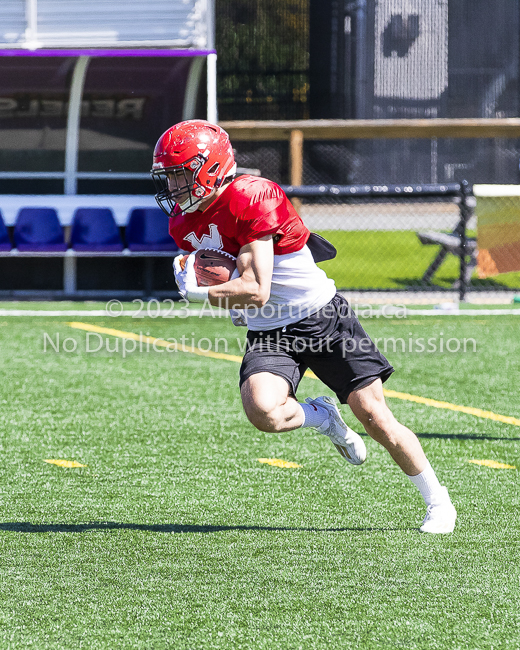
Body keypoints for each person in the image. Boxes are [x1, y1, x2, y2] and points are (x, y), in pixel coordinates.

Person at [151, 119, 457, 534]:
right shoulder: (182, 224)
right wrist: (227, 303)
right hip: (271, 332)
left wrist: (199, 294)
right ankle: (322, 416)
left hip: (322, 318)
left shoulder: (253, 196)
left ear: (211, 168)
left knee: (374, 416)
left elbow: (256, 287)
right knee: (264, 412)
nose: (174, 187)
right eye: (169, 176)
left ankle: (438, 501)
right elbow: (235, 286)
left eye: (181, 174)